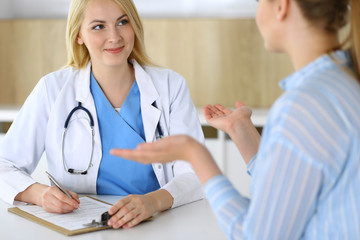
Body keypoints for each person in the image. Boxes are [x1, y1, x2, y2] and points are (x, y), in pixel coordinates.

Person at [111, 0, 360, 238]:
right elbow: (289, 193)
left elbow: (255, 234)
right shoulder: (344, 84)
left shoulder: (303, 107)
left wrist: (195, 154)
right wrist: (243, 134)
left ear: (282, 6)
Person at [0, 0, 204, 229]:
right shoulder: (52, 89)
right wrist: (39, 194)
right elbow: (4, 165)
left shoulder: (170, 86)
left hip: (157, 224)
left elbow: (198, 171)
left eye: (122, 22)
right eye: (98, 26)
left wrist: (153, 201)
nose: (115, 37)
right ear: (78, 35)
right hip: (80, 227)